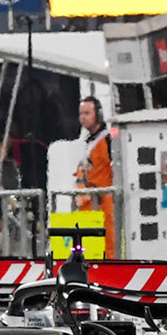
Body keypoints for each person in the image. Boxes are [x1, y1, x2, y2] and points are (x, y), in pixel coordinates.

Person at [74, 96, 117, 258]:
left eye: (87, 113)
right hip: (89, 203)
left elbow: (116, 168)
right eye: (80, 114)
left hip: (104, 203)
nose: (82, 117)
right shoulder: (90, 140)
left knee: (109, 246)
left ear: (97, 114)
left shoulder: (108, 138)